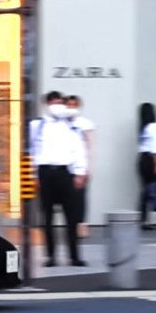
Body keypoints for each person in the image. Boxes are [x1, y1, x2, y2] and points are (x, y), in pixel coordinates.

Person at [30, 91, 88, 267]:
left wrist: (80, 172)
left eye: (60, 103)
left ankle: (74, 256)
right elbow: (34, 150)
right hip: (46, 173)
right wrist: (34, 174)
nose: (58, 106)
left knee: (71, 217)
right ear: (47, 105)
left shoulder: (71, 125)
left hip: (65, 173)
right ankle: (50, 256)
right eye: (54, 103)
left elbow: (79, 149)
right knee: (47, 218)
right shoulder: (38, 125)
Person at [65, 95, 95, 237]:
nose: (71, 108)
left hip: (80, 166)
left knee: (80, 198)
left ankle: (81, 225)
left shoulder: (85, 123)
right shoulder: (61, 123)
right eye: (69, 105)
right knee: (68, 199)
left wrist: (88, 167)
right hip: (65, 166)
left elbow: (89, 147)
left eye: (74, 105)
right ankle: (70, 224)